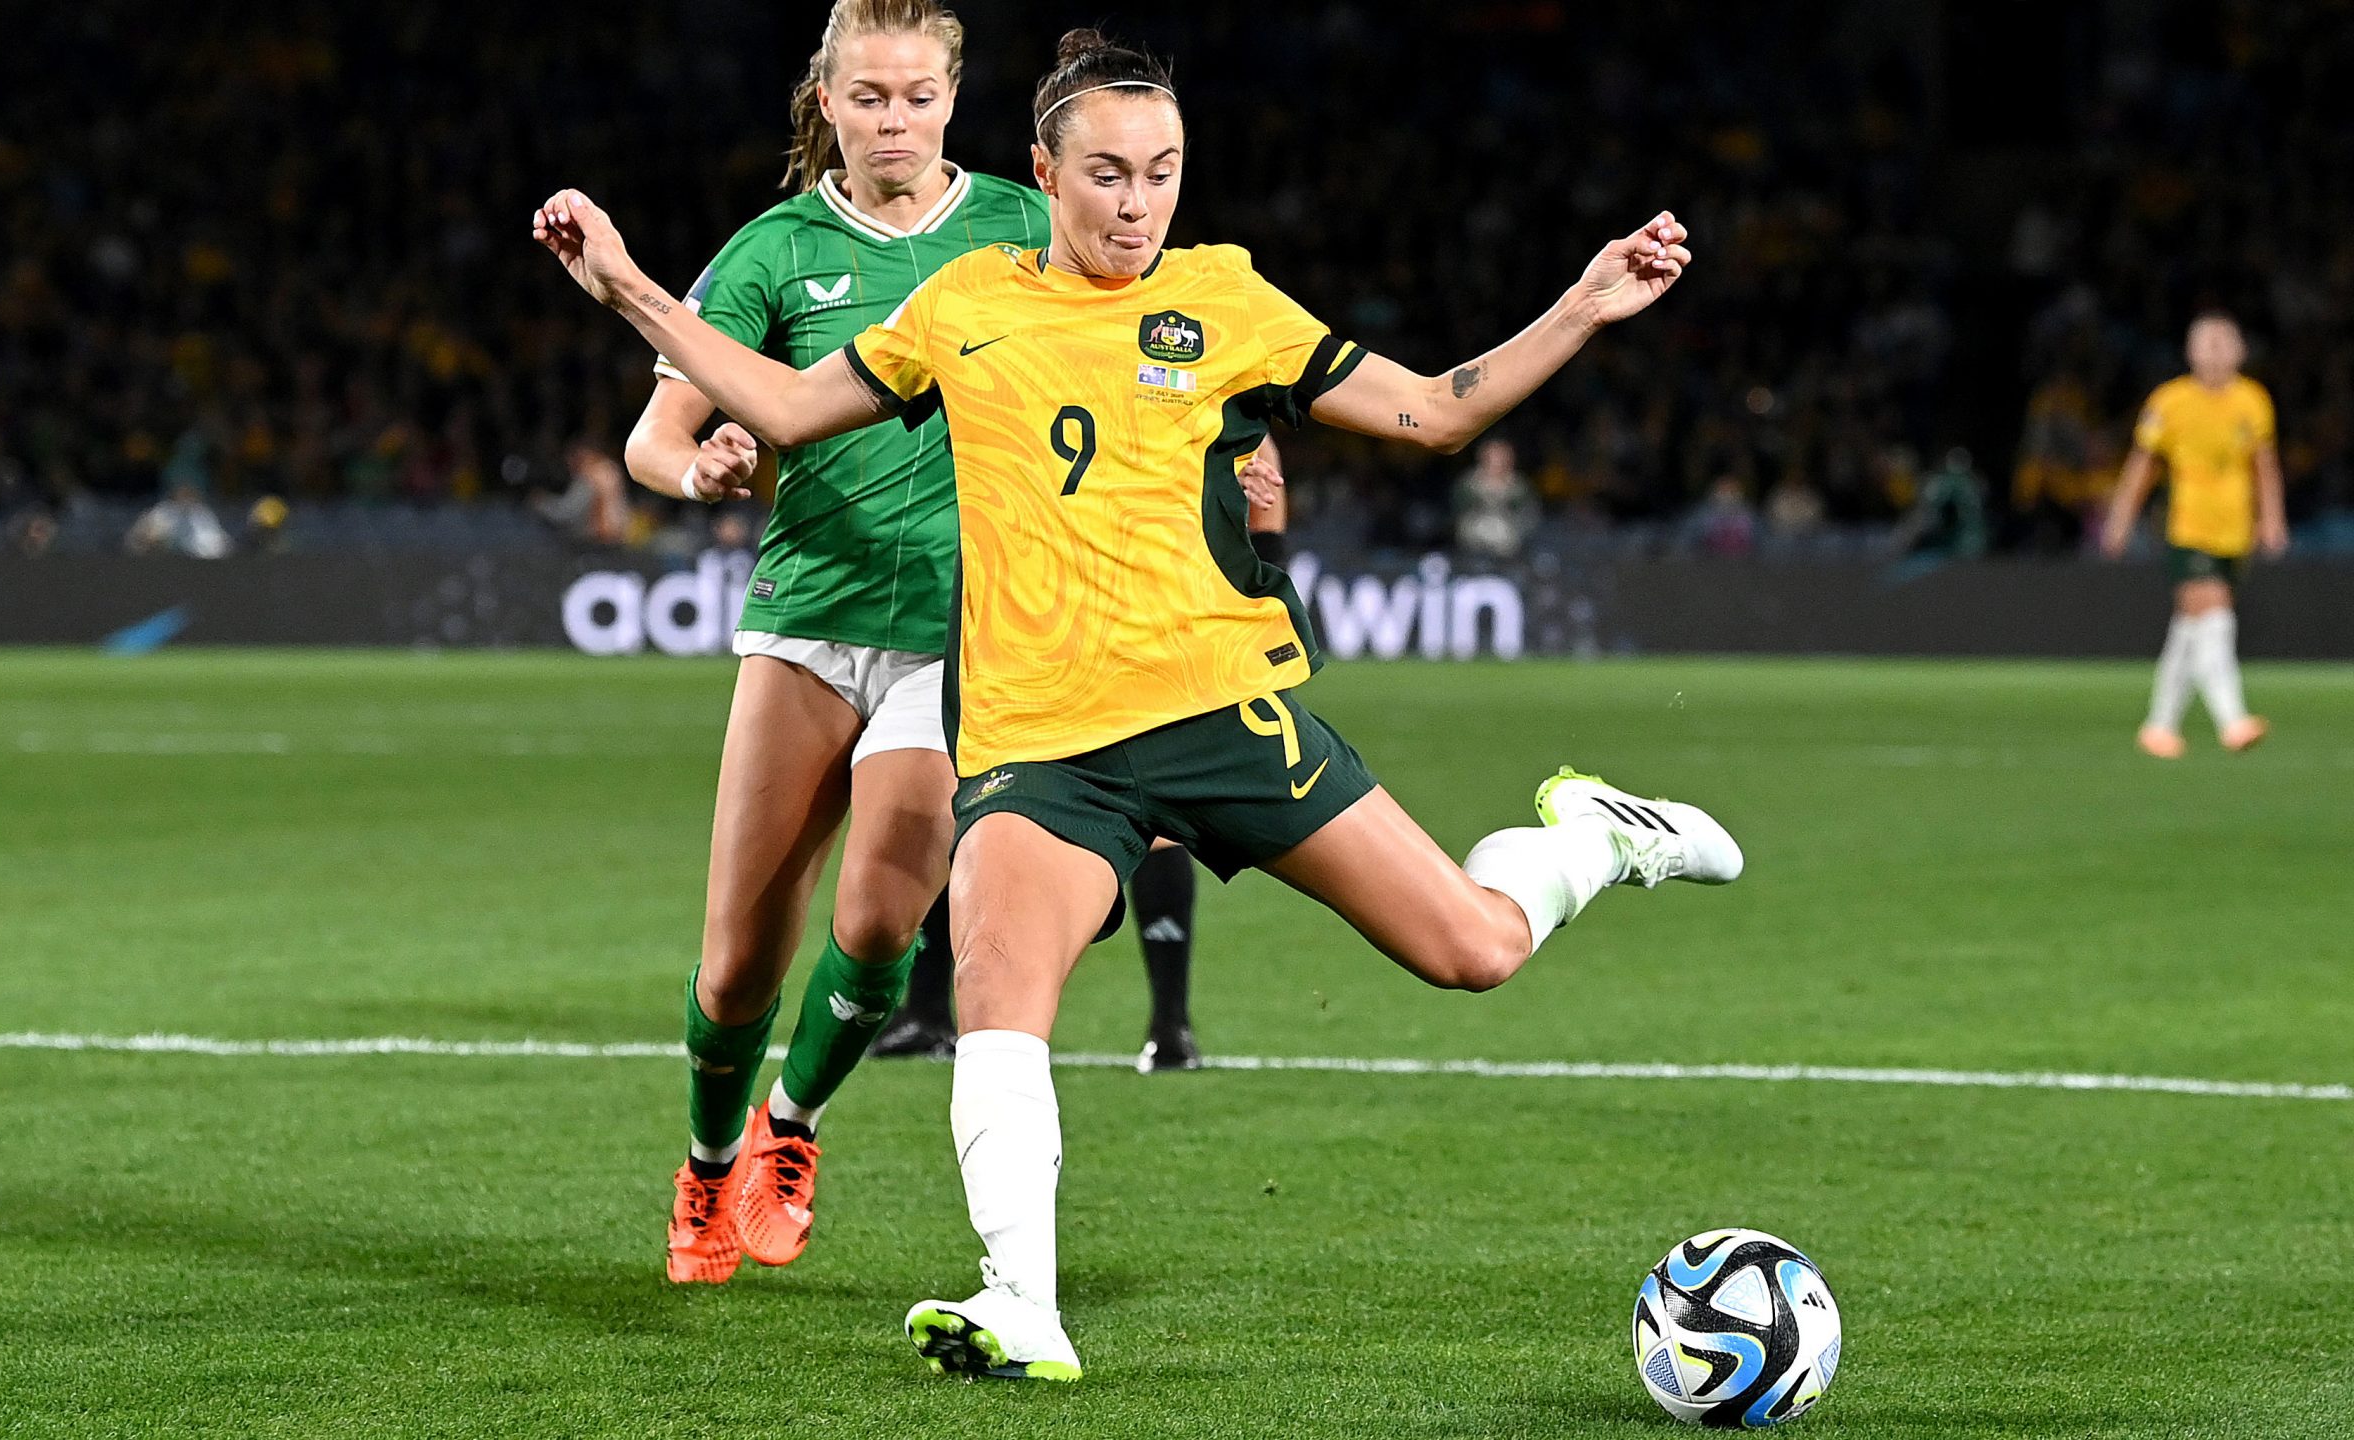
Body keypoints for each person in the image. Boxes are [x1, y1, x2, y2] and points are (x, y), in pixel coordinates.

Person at [533, 28, 1738, 1381]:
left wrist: (1580, 306)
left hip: (1222, 711)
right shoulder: (966, 302)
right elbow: (784, 406)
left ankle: (1596, 834)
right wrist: (629, 286)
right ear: (1043, 171)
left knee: (1472, 948)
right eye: (1106, 174)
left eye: (1161, 174)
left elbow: (1431, 415)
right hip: (1043, 749)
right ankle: (1020, 1306)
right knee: (997, 991)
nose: (1135, 204)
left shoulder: (1225, 297)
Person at [615, 0, 1054, 1287]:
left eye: (918, 96)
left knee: (877, 918)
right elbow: (652, 435)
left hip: (954, 640)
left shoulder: (1023, 232)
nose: (896, 121)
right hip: (806, 622)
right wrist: (699, 467)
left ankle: (789, 1127)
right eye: (870, 97)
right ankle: (705, 1168)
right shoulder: (773, 248)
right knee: (740, 953)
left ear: (954, 100)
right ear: (827, 101)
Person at [871, 437, 1287, 1072]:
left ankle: (1169, 1023)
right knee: (971, 794)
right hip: (1039, 612)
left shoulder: (1187, 370)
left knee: (1133, 809)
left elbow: (1265, 502)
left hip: (1134, 616)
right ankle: (929, 1009)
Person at [2100, 312, 2287, 758]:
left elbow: (2264, 467)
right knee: (2215, 618)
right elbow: (2142, 465)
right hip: (2188, 527)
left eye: (2225, 340)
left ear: (2241, 350)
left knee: (2191, 628)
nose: (2216, 349)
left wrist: (2273, 518)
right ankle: (2233, 719)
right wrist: (2120, 519)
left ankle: (2160, 725)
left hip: (2234, 532)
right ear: (2190, 352)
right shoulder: (2170, 402)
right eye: (2206, 341)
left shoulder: (2253, 401)